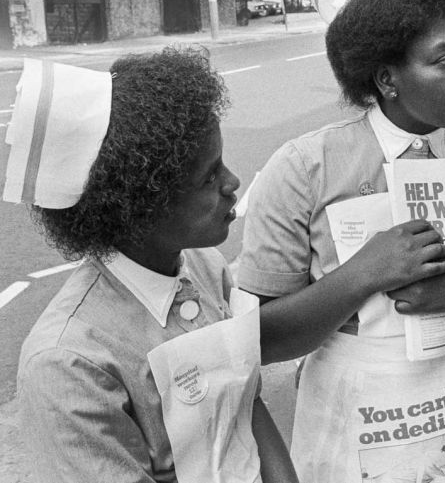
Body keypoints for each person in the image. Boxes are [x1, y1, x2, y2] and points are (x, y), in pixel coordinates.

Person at [237, 0, 445, 483]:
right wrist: (364, 273)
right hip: (360, 430)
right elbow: (260, 340)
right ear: (387, 79)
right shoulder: (306, 169)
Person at [10, 49, 297, 482]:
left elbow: (246, 405)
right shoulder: (68, 364)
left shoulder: (204, 267)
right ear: (141, 207)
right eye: (209, 175)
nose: (233, 183)